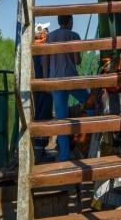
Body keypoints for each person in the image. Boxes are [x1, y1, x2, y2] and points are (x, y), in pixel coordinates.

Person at [42, 14, 89, 162]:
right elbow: (77, 60)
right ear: (70, 21)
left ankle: (64, 157)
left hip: (55, 81)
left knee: (61, 120)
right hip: (72, 79)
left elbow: (45, 62)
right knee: (91, 103)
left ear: (58, 22)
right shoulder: (74, 35)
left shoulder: (50, 37)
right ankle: (89, 139)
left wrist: (46, 82)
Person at [32, 22, 53, 156]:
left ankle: (40, 150)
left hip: (38, 86)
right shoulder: (41, 48)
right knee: (43, 116)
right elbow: (44, 66)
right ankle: (40, 152)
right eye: (46, 30)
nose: (48, 32)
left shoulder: (35, 47)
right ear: (41, 33)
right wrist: (47, 85)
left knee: (41, 114)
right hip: (43, 86)